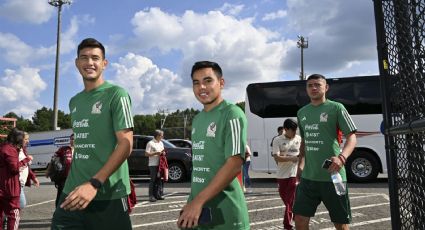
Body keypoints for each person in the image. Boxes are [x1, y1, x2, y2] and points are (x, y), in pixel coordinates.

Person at [51, 38, 134, 230]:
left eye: (95, 58)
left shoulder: (117, 94)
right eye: (84, 58)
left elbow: (126, 144)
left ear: (104, 64)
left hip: (107, 192)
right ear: (77, 63)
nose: (89, 63)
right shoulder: (74, 102)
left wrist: (94, 183)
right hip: (73, 190)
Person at [177, 61, 249, 229]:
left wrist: (198, 201)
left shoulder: (232, 114)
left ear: (221, 83)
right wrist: (192, 202)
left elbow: (234, 165)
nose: (201, 87)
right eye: (196, 82)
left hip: (226, 212)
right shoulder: (197, 119)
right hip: (199, 210)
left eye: (208, 80)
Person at [294, 74, 357, 230]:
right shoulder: (302, 112)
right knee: (300, 220)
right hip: (309, 178)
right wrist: (300, 164)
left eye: (317, 85)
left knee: (341, 224)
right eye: (310, 85)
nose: (314, 88)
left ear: (326, 87)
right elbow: (304, 142)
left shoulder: (336, 108)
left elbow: (352, 137)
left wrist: (342, 158)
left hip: (335, 178)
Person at [0, 128, 32, 230]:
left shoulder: (4, 147)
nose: (25, 141)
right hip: (9, 189)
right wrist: (27, 160)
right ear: (18, 138)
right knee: (14, 215)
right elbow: (14, 168)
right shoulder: (9, 149)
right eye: (24, 138)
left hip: (4, 187)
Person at [272, 118, 301, 230]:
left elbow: (302, 154)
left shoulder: (299, 138)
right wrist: (292, 158)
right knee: (287, 201)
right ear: (285, 129)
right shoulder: (277, 140)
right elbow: (277, 157)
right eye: (292, 130)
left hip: (294, 174)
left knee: (289, 201)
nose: (294, 133)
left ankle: (287, 225)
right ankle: (292, 217)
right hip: (281, 175)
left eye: (295, 130)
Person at [46, 133, 74, 207]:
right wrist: (48, 170)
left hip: (77, 178)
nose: (73, 140)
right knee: (61, 196)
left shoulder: (82, 150)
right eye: (71, 139)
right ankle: (57, 213)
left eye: (74, 139)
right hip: (64, 177)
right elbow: (53, 159)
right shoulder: (64, 149)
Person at [19, 132, 40, 209]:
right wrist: (27, 159)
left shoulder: (23, 150)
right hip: (16, 182)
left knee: (17, 204)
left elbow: (26, 166)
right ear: (20, 139)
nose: (28, 141)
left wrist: (33, 177)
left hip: (21, 182)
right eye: (26, 139)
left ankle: (8, 219)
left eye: (28, 139)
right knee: (21, 204)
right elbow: (14, 165)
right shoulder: (15, 150)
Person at [145, 130, 166, 202]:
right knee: (153, 180)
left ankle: (158, 194)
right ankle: (151, 196)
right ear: (157, 136)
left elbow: (162, 152)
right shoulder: (150, 143)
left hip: (160, 164)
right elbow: (146, 154)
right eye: (162, 135)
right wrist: (155, 153)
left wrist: (163, 153)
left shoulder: (161, 143)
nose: (163, 137)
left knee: (159, 180)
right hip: (153, 164)